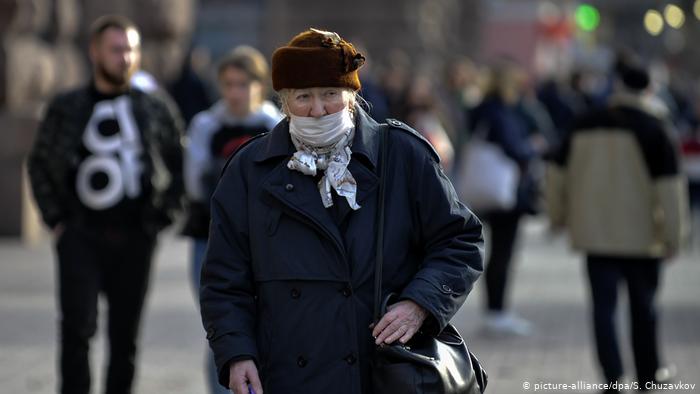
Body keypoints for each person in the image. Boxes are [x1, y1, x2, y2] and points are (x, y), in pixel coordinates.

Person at [199, 28, 484, 394]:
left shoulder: (401, 155)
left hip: (381, 371)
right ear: (284, 101)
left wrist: (421, 303)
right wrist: (237, 353)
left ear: (351, 96)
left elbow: (460, 239)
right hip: (286, 372)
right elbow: (224, 278)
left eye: (331, 94)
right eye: (304, 97)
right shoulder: (249, 169)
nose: (318, 110)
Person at [26, 15, 184, 394]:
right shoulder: (68, 106)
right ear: (95, 52)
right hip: (81, 234)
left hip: (135, 237)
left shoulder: (154, 107)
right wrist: (56, 220)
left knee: (125, 338)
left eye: (131, 49)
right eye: (116, 49)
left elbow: (179, 164)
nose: (125, 57)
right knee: (77, 331)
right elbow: (40, 163)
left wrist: (160, 220)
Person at [546, 62, 689, 393]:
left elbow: (555, 172)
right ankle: (649, 375)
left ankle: (613, 377)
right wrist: (674, 236)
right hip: (643, 236)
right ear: (648, 89)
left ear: (616, 86)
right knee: (645, 308)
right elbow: (670, 188)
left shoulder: (584, 123)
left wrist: (558, 216)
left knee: (603, 309)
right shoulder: (655, 127)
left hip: (595, 234)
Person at [182, 45, 283, 394]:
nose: (236, 92)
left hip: (266, 240)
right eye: (229, 84)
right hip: (209, 236)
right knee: (221, 328)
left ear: (259, 84)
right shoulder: (206, 125)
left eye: (243, 83)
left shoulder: (275, 125)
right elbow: (194, 182)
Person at [467, 60, 545, 336]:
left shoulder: (480, 108)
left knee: (497, 252)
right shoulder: (501, 111)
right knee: (503, 253)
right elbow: (515, 148)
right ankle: (497, 311)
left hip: (488, 189)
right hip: (505, 193)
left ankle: (495, 310)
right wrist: (532, 148)